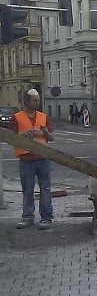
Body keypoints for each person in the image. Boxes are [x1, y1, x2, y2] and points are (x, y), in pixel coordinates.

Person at [8, 89, 55, 230]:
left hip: (43, 157)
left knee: (45, 188)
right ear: (27, 101)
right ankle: (28, 217)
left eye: (38, 100)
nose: (37, 103)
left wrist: (45, 131)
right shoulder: (16, 117)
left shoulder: (43, 116)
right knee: (27, 190)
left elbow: (51, 138)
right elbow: (10, 137)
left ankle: (46, 218)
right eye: (34, 100)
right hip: (26, 158)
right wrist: (25, 134)